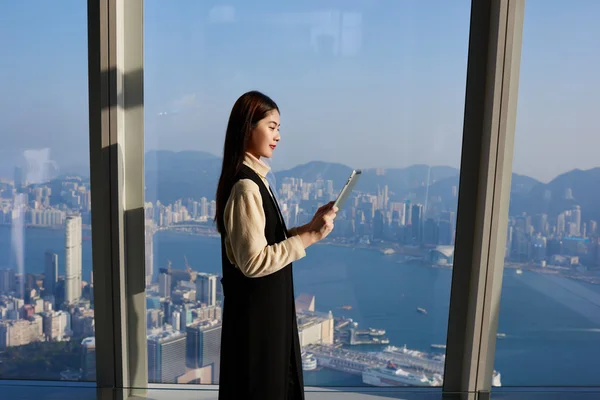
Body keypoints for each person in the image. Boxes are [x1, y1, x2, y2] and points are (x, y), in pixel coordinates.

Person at [215, 90, 337, 400]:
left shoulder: (258, 180)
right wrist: (308, 238)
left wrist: (308, 228)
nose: (278, 136)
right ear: (248, 128)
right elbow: (253, 261)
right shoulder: (246, 186)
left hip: (267, 315)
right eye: (272, 126)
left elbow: (267, 240)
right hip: (257, 322)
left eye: (278, 128)